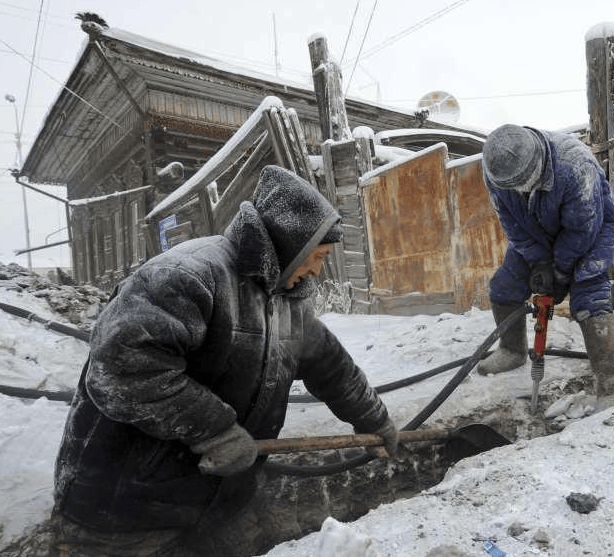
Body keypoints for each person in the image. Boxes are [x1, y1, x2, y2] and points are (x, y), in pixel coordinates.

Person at [49, 165, 398, 557]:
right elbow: (121, 369)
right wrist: (214, 429)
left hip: (212, 505)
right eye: (315, 256)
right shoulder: (188, 275)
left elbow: (330, 366)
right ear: (289, 245)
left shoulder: (286, 299)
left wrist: (375, 419)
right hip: (123, 512)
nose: (317, 269)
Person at [477, 123, 614, 410]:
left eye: (521, 184)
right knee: (504, 286)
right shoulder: (495, 171)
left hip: (591, 230)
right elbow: (512, 224)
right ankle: (512, 350)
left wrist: (559, 273)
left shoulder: (574, 166)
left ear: (535, 167)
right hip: (536, 230)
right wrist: (539, 261)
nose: (515, 190)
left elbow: (581, 231)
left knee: (589, 296)